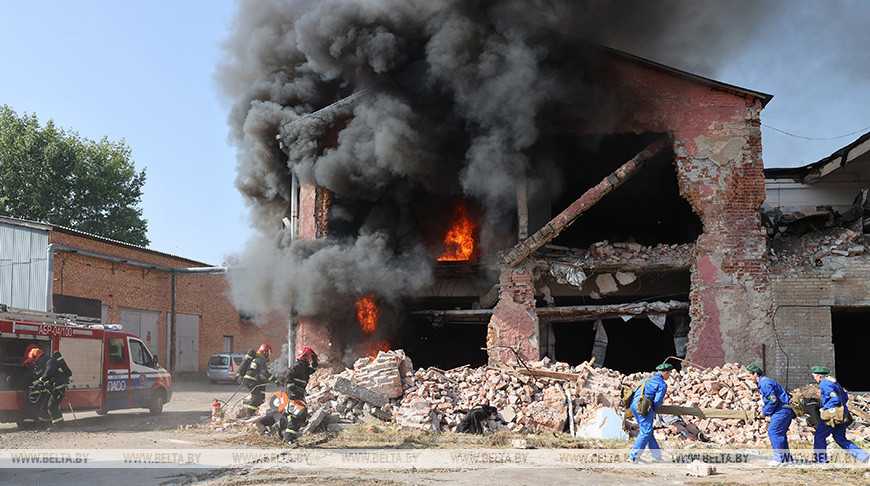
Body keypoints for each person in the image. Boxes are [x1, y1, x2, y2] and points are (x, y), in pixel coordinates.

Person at [810, 366, 869, 464]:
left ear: (819, 376)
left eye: (815, 377)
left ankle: (821, 460)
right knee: (840, 439)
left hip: (832, 416)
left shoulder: (825, 384)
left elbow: (835, 399)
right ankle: (864, 457)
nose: (815, 379)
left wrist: (824, 408)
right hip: (841, 415)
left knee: (819, 436)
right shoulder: (835, 383)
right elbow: (845, 397)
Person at [746, 364, 793, 466]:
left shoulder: (765, 384)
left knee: (774, 432)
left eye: (749, 376)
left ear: (755, 374)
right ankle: (787, 459)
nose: (749, 379)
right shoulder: (765, 381)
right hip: (783, 410)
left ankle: (778, 459)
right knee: (780, 434)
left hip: (782, 411)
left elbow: (773, 401)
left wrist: (764, 412)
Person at [272, 346, 318, 443]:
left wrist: (315, 360)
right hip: (292, 394)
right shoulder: (297, 366)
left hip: (298, 394)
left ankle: (279, 426)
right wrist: (292, 391)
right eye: (309, 358)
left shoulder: (304, 368)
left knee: (294, 414)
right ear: (305, 357)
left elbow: (313, 369)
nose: (310, 360)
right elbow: (288, 377)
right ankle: (290, 439)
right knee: (297, 415)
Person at [628, 363, 673, 463]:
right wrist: (654, 409)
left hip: (634, 404)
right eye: (669, 373)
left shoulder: (647, 377)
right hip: (644, 406)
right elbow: (658, 401)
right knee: (646, 431)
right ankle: (634, 457)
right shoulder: (661, 383)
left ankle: (656, 456)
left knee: (647, 430)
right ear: (665, 372)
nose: (669, 376)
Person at [241, 344, 277, 417]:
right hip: (251, 380)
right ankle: (249, 414)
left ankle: (257, 410)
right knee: (256, 396)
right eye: (268, 353)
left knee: (260, 394)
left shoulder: (255, 358)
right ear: (265, 352)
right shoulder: (261, 360)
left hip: (250, 379)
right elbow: (264, 373)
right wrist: (275, 380)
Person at [39, 350, 72, 429]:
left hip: (58, 388)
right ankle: (46, 424)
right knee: (49, 406)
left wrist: (41, 380)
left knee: (52, 407)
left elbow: (48, 373)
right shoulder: (53, 363)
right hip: (56, 388)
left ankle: (59, 426)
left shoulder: (51, 363)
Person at [21, 347, 49, 429]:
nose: (32, 362)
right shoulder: (44, 365)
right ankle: (38, 425)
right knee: (37, 408)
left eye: (32, 360)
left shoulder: (40, 368)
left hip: (36, 392)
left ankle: (31, 425)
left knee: (32, 408)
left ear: (35, 357)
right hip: (39, 392)